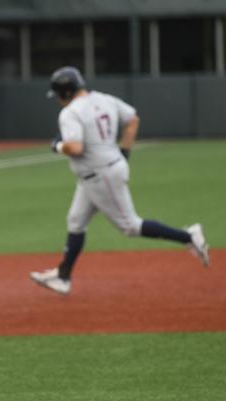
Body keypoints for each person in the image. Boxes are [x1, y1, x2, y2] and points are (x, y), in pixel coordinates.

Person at [30, 66, 209, 295]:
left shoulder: (70, 112)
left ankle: (189, 236)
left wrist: (57, 145)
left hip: (100, 175)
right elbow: (133, 120)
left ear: (65, 92)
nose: (56, 99)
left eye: (57, 94)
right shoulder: (105, 99)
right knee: (76, 221)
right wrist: (124, 153)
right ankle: (63, 276)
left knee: (130, 226)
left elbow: (75, 148)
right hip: (99, 172)